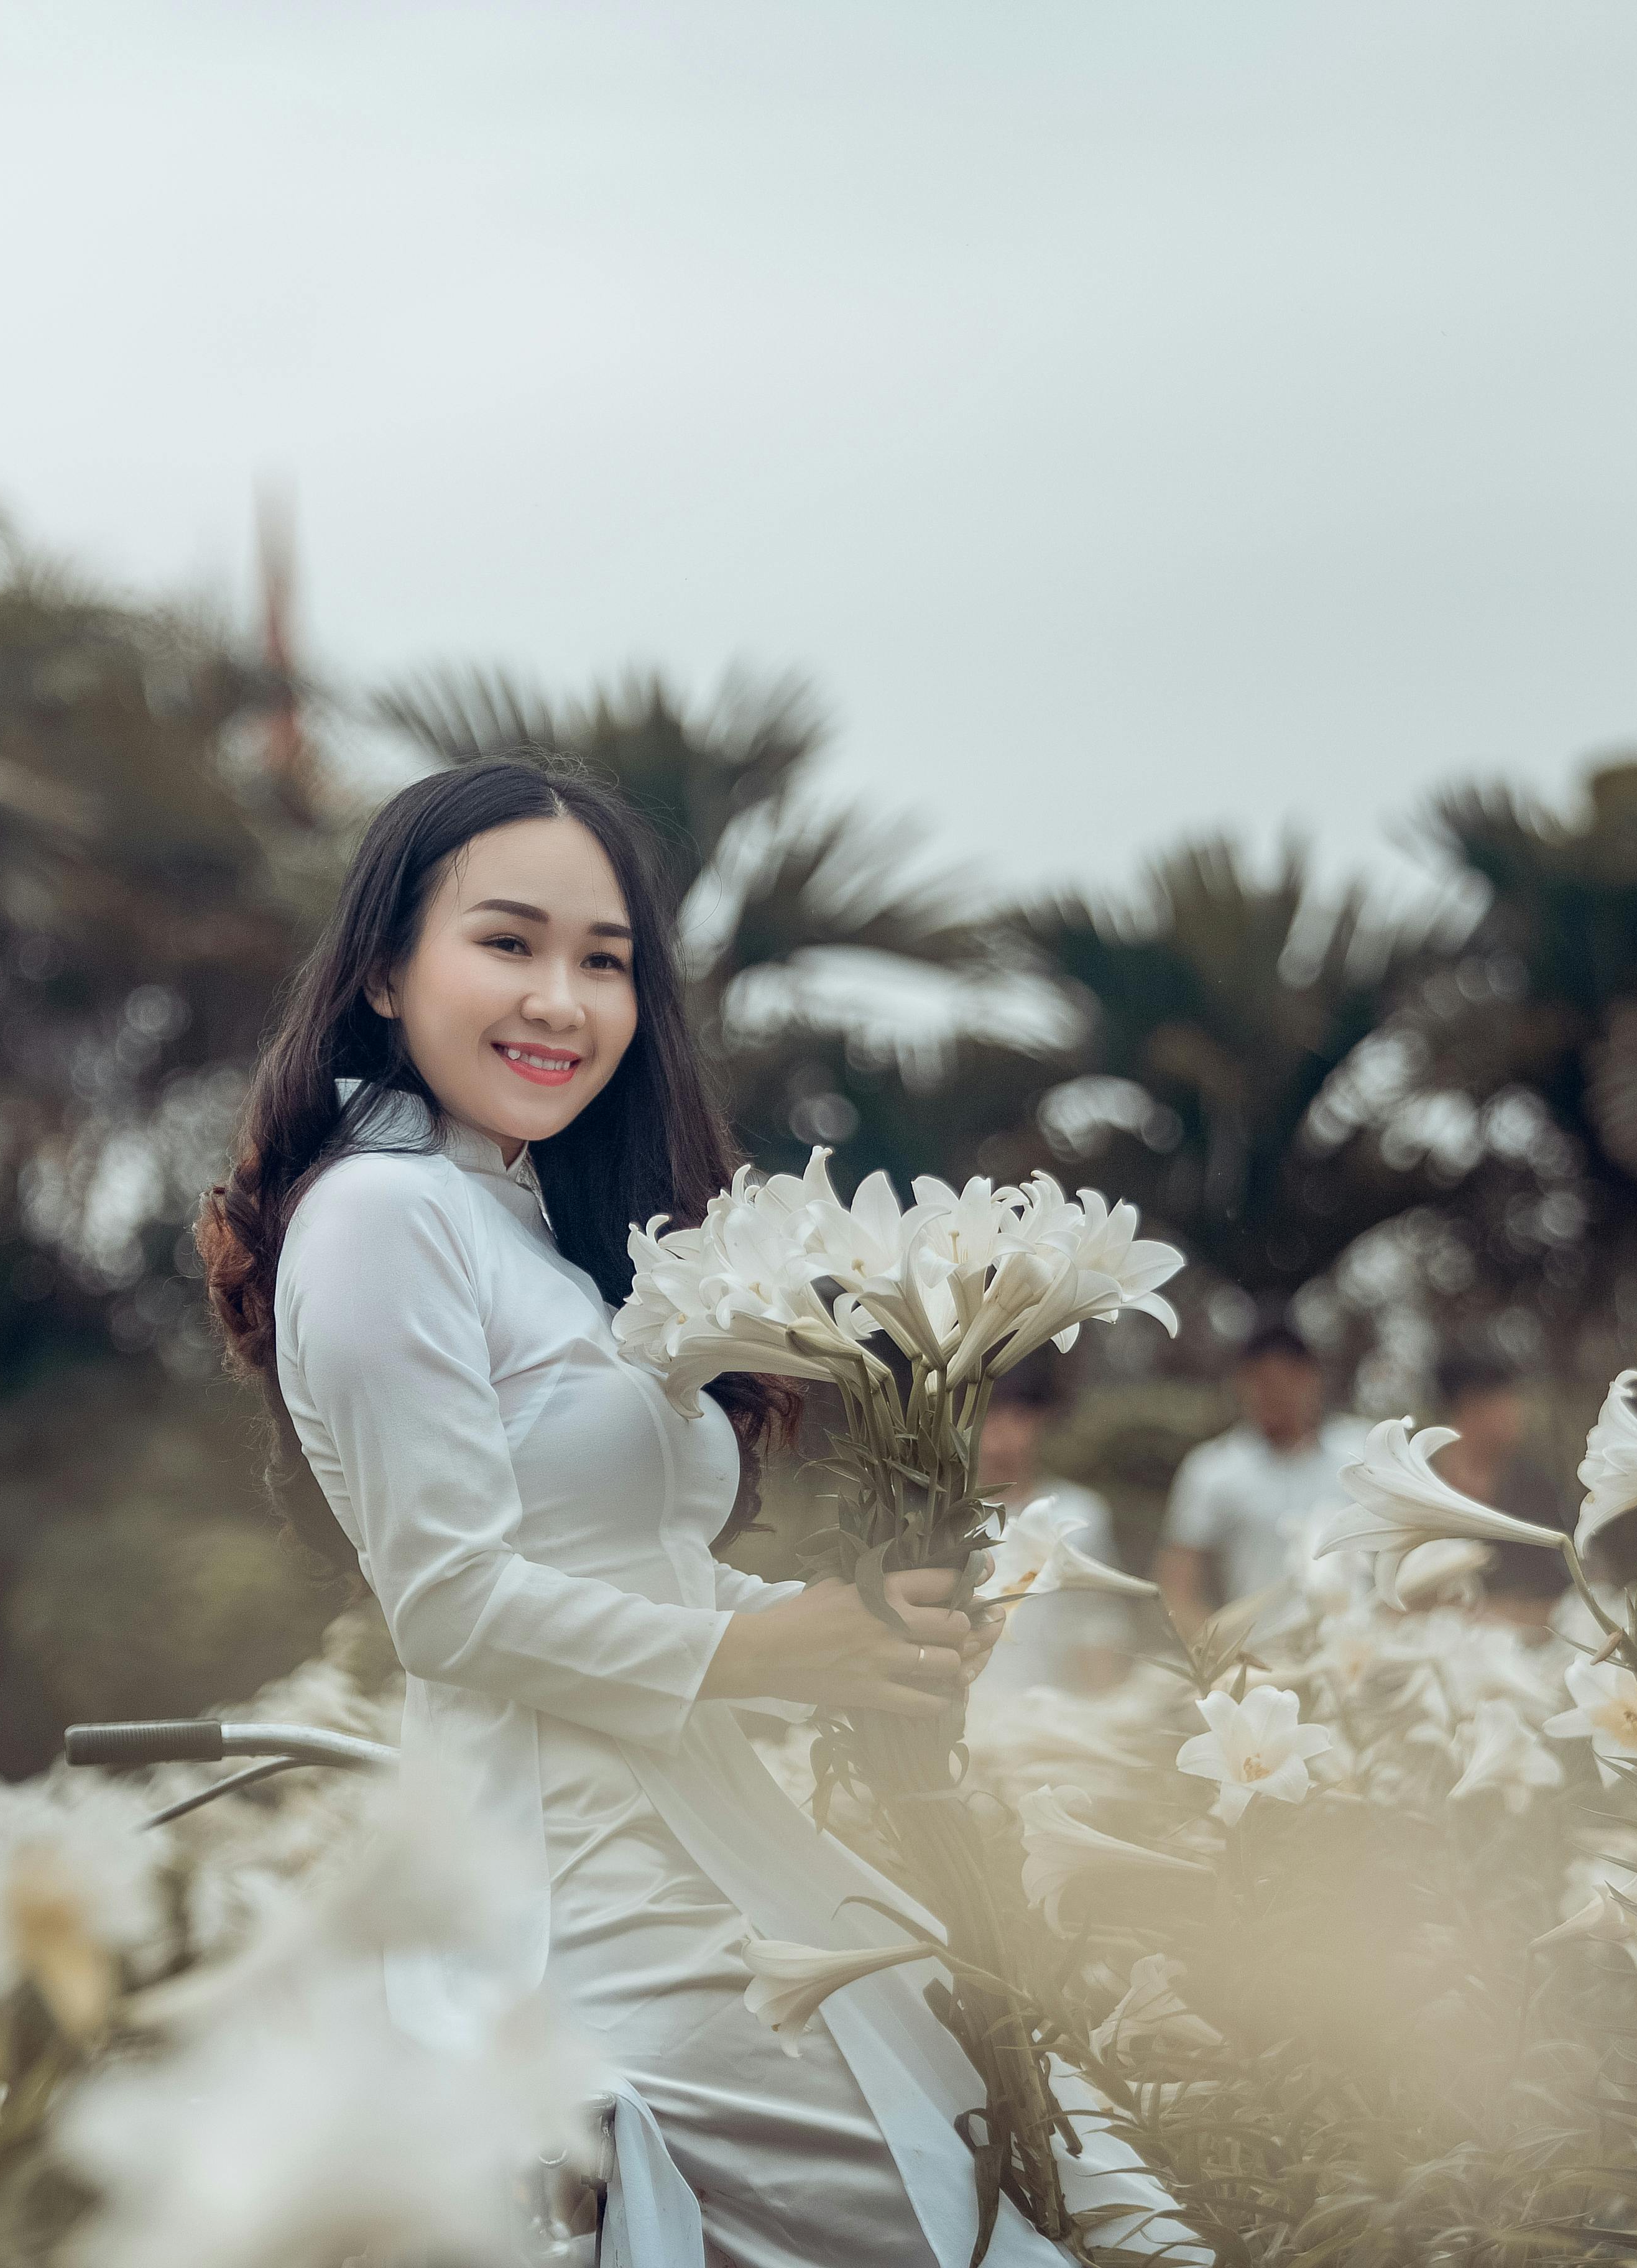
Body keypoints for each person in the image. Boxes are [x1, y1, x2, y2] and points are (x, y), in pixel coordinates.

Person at [194, 755, 1196, 2268]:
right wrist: (767, 1653)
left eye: (604, 963)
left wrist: (857, 1634)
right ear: (385, 971)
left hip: (710, 1831)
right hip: (582, 1886)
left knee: (1082, 2181)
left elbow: (628, 1564)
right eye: (507, 944)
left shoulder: (530, 1227)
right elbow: (450, 1603)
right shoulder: (381, 1212)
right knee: (979, 2226)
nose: (562, 1002)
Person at [1156, 1323, 1353, 1632]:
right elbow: (1177, 1584)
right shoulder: (1213, 1469)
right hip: (1264, 1661)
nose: (1269, 1395)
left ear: (1311, 1379)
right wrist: (1219, 1653)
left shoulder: (1359, 1454)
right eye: (1256, 1382)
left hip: (1361, 1654)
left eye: (1280, 1382)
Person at [973, 1357, 1137, 1695]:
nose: (1001, 1431)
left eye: (1017, 1416)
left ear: (1041, 1422)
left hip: (1051, 1717)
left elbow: (1098, 1629)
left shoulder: (1080, 1513)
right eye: (989, 1416)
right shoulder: (942, 1522)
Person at [1425, 1349, 1572, 1620]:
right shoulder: (1422, 1485)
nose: (1517, 1413)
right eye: (1505, 1400)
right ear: (1470, 1408)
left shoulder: (1536, 1487)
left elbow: (1562, 1598)